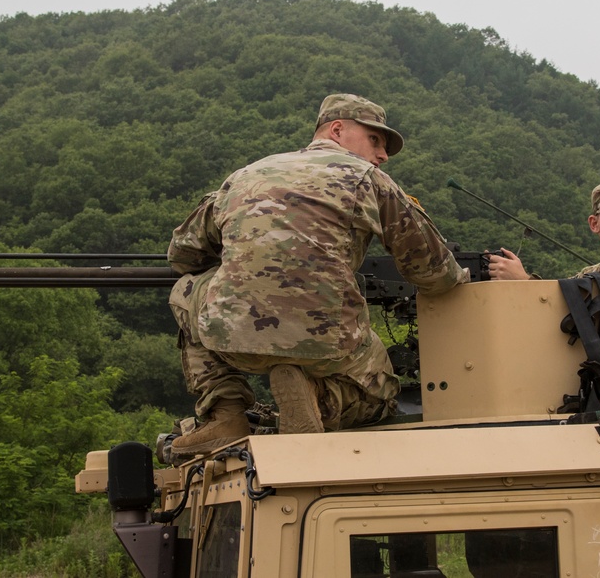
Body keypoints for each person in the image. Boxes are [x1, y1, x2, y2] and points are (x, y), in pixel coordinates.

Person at [166, 93, 469, 459]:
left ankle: (226, 413)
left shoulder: (243, 176)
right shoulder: (369, 180)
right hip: (328, 343)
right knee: (382, 397)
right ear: (337, 129)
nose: (383, 155)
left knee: (185, 291)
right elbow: (433, 270)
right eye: (375, 140)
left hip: (233, 338)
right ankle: (320, 400)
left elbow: (183, 254)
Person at [487, 178, 600, 280]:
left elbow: (598, 310)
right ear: (594, 224)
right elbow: (560, 297)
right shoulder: (590, 274)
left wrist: (525, 283)